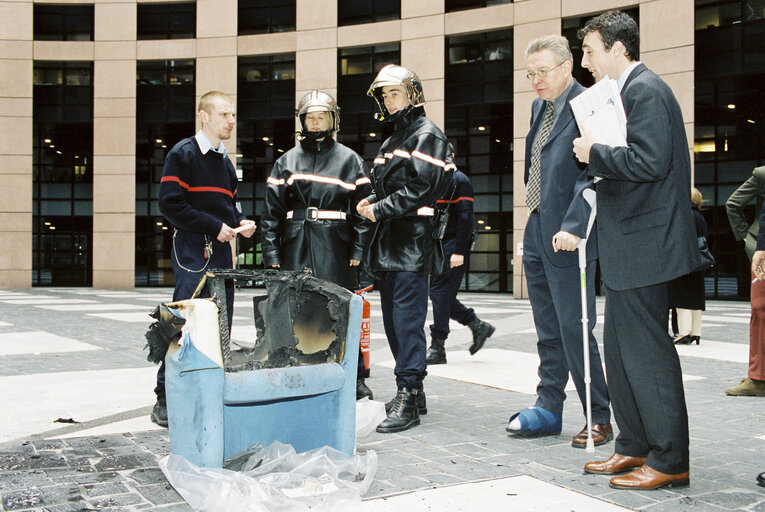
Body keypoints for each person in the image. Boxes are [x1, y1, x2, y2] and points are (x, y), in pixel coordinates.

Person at [572, 11, 700, 490]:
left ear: (618, 48)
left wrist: (594, 153)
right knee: (621, 350)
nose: (584, 62)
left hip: (648, 245)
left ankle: (670, 459)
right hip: (632, 243)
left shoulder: (645, 90)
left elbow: (649, 161)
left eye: (589, 50)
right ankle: (633, 446)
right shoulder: (624, 92)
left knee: (647, 353)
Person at [505, 35, 611, 447]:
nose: (535, 80)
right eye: (530, 73)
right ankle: (549, 408)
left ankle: (598, 416)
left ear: (568, 67)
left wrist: (575, 225)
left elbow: (594, 172)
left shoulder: (589, 104)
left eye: (542, 71)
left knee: (575, 326)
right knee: (548, 327)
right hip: (537, 225)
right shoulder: (539, 106)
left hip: (569, 232)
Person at [260, 90, 374, 399]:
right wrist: (271, 253)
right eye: (310, 117)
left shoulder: (351, 160)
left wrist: (358, 250)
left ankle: (354, 376)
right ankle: (296, 371)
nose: (316, 122)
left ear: (333, 120)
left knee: (341, 311)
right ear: (301, 121)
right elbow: (270, 215)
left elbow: (364, 211)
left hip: (337, 245)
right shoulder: (286, 162)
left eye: (321, 116)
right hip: (294, 244)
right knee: (295, 311)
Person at [154, 91, 257, 427]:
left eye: (232, 115)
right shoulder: (183, 154)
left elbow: (230, 207)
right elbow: (170, 204)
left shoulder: (225, 162)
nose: (231, 121)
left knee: (218, 327)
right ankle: (164, 398)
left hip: (221, 252)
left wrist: (242, 223)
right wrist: (216, 227)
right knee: (182, 323)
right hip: (193, 252)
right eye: (224, 114)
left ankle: (206, 392)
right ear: (204, 116)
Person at [357, 64, 450, 433]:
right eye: (385, 96)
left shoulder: (427, 135)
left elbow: (422, 189)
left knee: (407, 322)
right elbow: (386, 187)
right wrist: (370, 202)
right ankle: (414, 391)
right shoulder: (393, 139)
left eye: (395, 93)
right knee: (396, 324)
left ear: (413, 94)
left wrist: (378, 209)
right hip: (391, 243)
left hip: (411, 242)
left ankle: (408, 394)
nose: (389, 102)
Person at [425, 150, 495, 365]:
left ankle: (438, 346)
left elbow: (466, 217)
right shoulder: (436, 180)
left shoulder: (459, 180)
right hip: (439, 246)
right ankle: (476, 325)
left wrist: (459, 251)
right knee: (441, 294)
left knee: (438, 292)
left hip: (452, 245)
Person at [725, 166, 765, 396]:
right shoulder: (761, 175)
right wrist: (746, 239)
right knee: (760, 312)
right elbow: (733, 204)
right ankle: (758, 378)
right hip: (763, 253)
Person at [669, 188, 709, 345]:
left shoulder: (685, 215)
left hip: (684, 260)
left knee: (681, 296)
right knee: (695, 296)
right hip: (699, 261)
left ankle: (684, 332)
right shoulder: (700, 217)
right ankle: (695, 332)